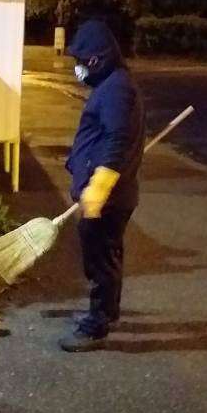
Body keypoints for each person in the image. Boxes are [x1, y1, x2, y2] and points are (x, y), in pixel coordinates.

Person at [60, 19, 145, 353]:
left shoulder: (117, 89)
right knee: (107, 255)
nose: (78, 68)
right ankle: (108, 311)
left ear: (98, 58)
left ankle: (96, 326)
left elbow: (116, 139)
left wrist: (99, 186)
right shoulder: (111, 85)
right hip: (111, 195)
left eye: (82, 61)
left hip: (109, 197)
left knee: (100, 260)